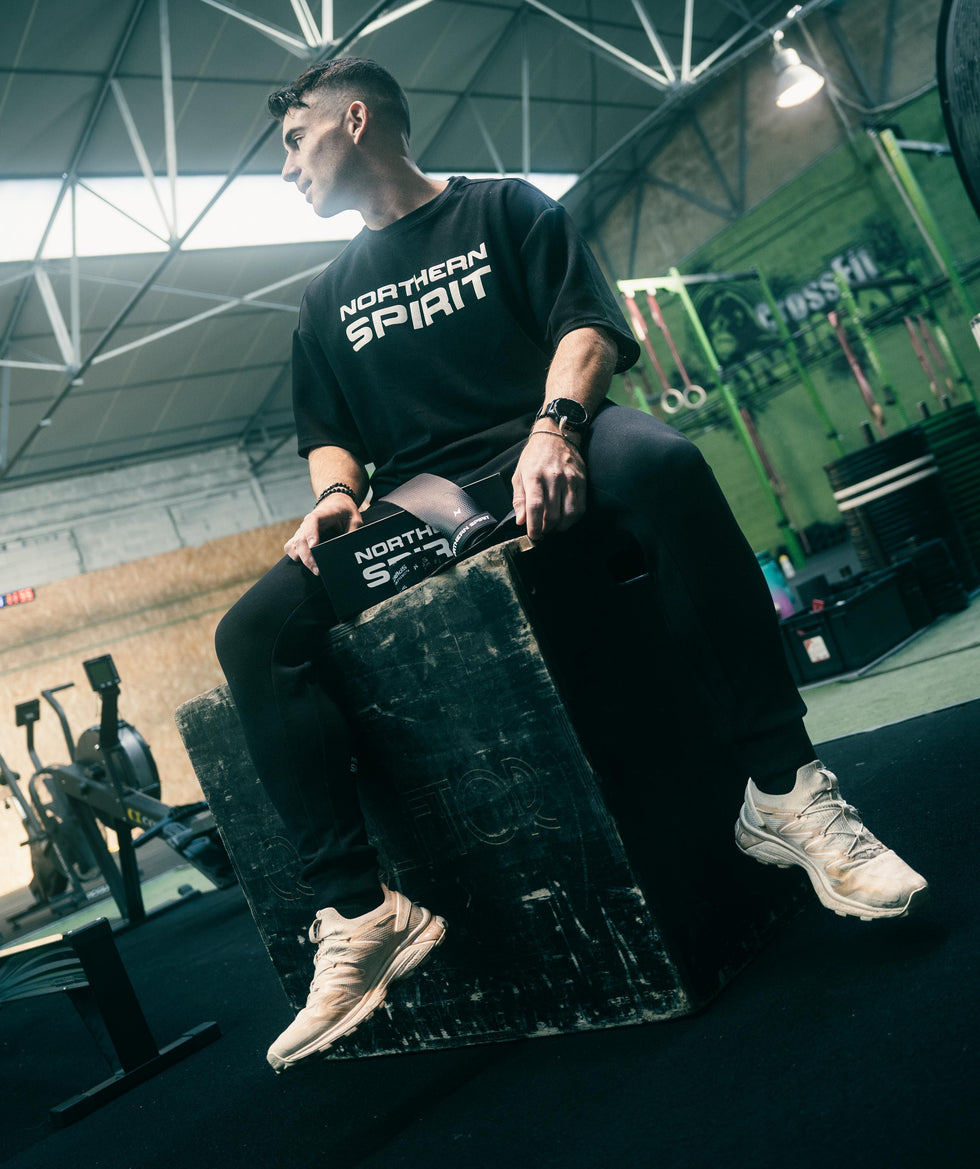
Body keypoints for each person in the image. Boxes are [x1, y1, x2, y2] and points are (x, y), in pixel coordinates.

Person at [214, 58, 928, 1073]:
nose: (285, 166)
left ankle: (783, 790)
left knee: (669, 466)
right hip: (423, 499)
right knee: (250, 633)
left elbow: (584, 330)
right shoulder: (324, 299)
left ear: (356, 120)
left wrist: (554, 427)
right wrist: (334, 498)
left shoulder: (503, 210)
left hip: (549, 437)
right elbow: (330, 437)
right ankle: (362, 911)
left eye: (293, 140)